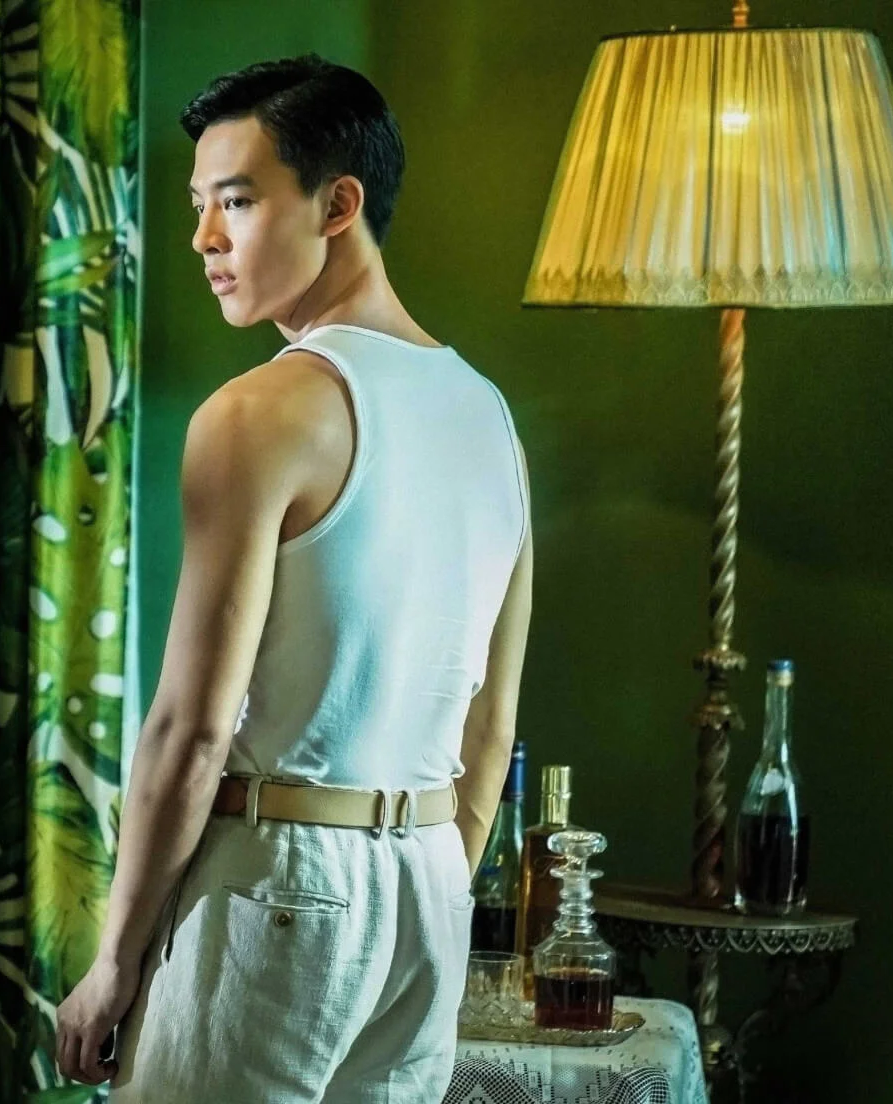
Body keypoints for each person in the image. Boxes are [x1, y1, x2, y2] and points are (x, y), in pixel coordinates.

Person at [53, 54, 533, 1102]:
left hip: (276, 883)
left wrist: (115, 962)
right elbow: (490, 726)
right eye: (198, 205)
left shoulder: (260, 414)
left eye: (235, 201)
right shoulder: (486, 416)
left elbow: (190, 729)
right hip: (428, 885)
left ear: (337, 205)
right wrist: (429, 884)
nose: (203, 238)